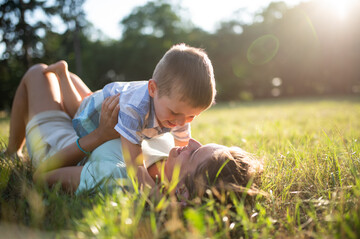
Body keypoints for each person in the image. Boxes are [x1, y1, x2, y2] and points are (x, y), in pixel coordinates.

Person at [5, 61, 263, 199]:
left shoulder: (122, 180)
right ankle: (66, 79)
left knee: (38, 72)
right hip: (93, 123)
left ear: (182, 191)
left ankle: (11, 151)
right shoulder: (172, 150)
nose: (190, 142)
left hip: (61, 143)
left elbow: (42, 177)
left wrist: (100, 136)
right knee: (71, 82)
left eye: (194, 154)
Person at [43, 43, 216, 177]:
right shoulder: (135, 110)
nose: (180, 123)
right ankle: (62, 74)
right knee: (75, 108)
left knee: (87, 97)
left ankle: (68, 77)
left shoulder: (179, 110)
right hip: (98, 110)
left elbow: (183, 146)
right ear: (153, 89)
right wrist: (156, 195)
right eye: (175, 113)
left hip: (116, 94)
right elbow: (136, 166)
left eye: (192, 116)